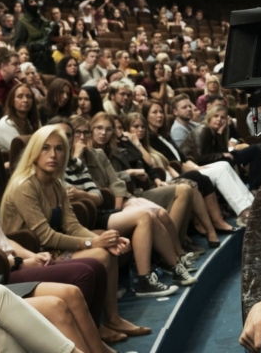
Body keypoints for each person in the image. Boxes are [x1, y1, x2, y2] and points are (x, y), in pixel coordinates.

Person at [0, 135, 115, 351]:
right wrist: (18, 262)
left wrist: (29, 255)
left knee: (74, 289)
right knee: (72, 287)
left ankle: (99, 344)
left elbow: (1, 240)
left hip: (5, 267)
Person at [0, 125, 151, 339]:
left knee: (107, 249)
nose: (53, 155)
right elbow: (45, 236)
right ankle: (94, 327)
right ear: (34, 152)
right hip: (30, 257)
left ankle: (111, 319)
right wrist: (93, 244)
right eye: (45, 148)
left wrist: (103, 239)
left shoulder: (56, 184)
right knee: (101, 254)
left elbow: (72, 226)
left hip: (49, 250)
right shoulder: (24, 185)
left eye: (59, 148)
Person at [52, 118, 195, 293]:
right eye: (67, 135)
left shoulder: (77, 163)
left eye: (69, 135)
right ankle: (145, 279)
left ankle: (173, 267)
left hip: (99, 212)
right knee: (144, 215)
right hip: (82, 219)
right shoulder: (53, 165)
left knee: (149, 214)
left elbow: (99, 196)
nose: (69, 139)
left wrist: (83, 195)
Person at [82, 114, 201, 257]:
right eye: (99, 128)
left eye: (109, 129)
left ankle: (177, 246)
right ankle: (170, 250)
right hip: (119, 199)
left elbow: (138, 158)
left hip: (132, 192)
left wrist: (124, 138)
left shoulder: (113, 149)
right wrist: (129, 172)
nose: (103, 133)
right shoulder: (89, 154)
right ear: (91, 130)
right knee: (180, 192)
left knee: (185, 190)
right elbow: (105, 180)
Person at [122, 112, 228, 246]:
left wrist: (164, 178)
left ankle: (210, 232)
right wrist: (136, 143)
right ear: (127, 129)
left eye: (143, 127)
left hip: (163, 181)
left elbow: (161, 166)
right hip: (147, 190)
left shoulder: (148, 145)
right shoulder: (131, 149)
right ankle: (176, 241)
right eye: (136, 127)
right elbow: (148, 163)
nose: (140, 130)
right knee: (194, 179)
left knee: (194, 183)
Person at [142, 100, 252, 227]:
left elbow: (182, 158)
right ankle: (243, 211)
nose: (159, 115)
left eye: (161, 112)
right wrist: (195, 168)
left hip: (187, 167)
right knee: (220, 170)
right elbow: (172, 164)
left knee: (224, 165)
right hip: (177, 174)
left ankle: (250, 204)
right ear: (146, 116)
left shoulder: (164, 136)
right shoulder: (149, 139)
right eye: (154, 112)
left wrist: (196, 167)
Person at [0, 83, 40, 152]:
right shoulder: (6, 123)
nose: (25, 100)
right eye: (20, 96)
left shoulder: (30, 121)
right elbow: (22, 151)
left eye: (29, 96)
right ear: (12, 101)